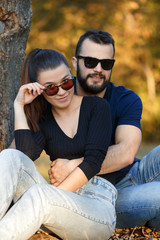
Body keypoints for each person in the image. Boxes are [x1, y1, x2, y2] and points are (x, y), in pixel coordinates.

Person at [48, 30, 160, 231]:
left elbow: (126, 153)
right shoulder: (58, 96)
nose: (98, 69)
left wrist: (73, 166)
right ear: (75, 63)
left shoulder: (125, 98)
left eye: (106, 64)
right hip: (100, 195)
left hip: (135, 173)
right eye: (90, 62)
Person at [0, 48, 117, 240]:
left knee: (40, 194)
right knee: (9, 156)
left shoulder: (97, 107)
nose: (62, 91)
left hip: (97, 206)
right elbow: (24, 155)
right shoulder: (44, 119)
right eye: (52, 88)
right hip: (56, 203)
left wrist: (53, 197)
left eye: (66, 82)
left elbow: (93, 162)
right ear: (39, 90)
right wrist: (19, 105)